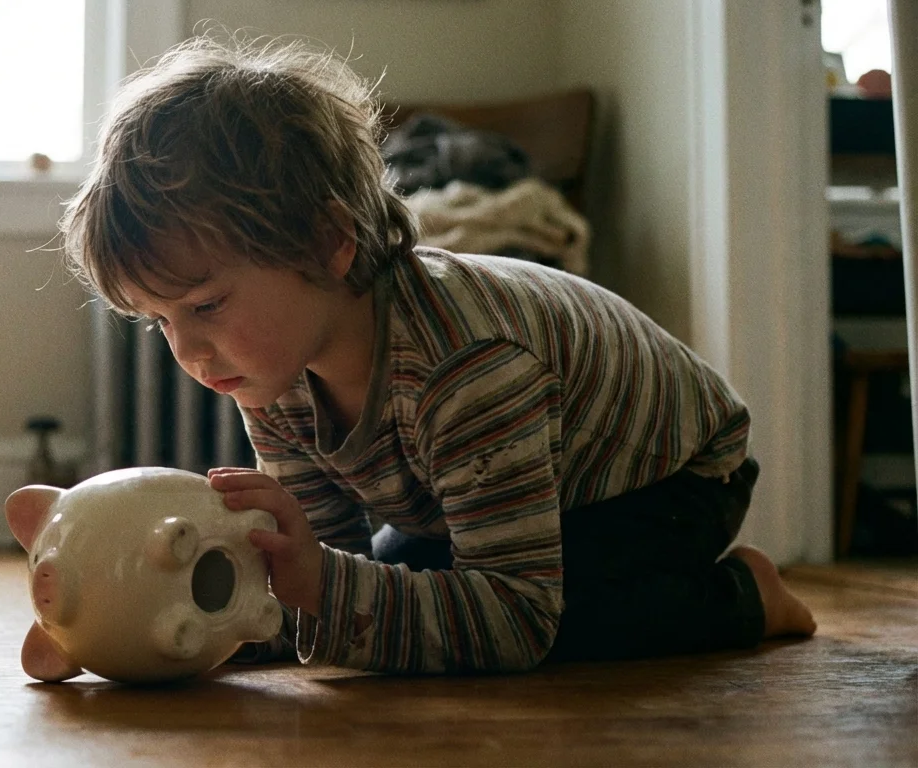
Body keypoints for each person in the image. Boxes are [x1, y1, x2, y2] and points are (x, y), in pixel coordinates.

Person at [58, 34, 817, 674]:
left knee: (545, 627)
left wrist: (329, 585)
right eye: (159, 321)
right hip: (484, 489)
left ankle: (744, 596)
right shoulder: (271, 371)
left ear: (328, 244)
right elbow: (317, 576)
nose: (186, 350)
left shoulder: (468, 368)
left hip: (663, 483)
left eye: (206, 306)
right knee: (395, 591)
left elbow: (516, 616)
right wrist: (138, 631)